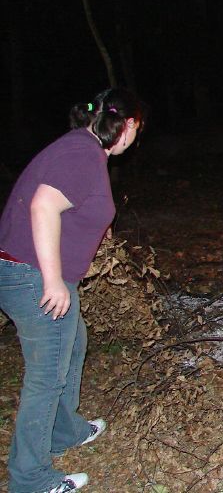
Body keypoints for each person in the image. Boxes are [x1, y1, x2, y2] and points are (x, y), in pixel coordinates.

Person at [0, 88, 145, 493]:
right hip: (31, 275)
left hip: (24, 269)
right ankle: (29, 479)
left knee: (74, 342)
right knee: (45, 377)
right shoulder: (83, 153)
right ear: (130, 124)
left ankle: (64, 431)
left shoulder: (79, 147)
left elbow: (71, 205)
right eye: (137, 129)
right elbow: (43, 206)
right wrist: (50, 280)